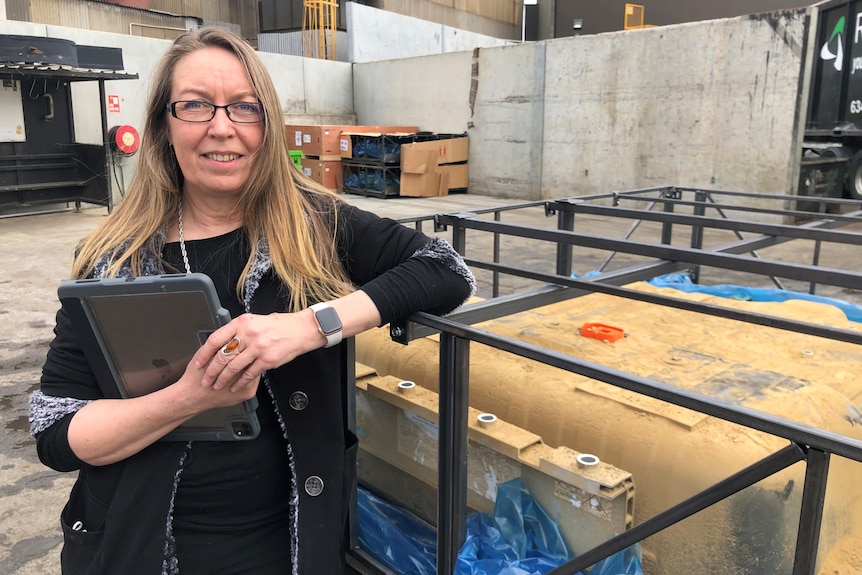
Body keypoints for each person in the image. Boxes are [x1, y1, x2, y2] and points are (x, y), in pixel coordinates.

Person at [28, 26, 475, 575]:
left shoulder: (317, 224)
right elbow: (56, 432)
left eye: (245, 107)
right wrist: (188, 398)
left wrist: (312, 326)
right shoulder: (114, 257)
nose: (222, 128)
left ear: (268, 125)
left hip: (285, 545)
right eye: (195, 105)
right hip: (135, 542)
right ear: (164, 127)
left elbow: (445, 270)